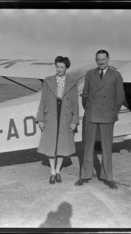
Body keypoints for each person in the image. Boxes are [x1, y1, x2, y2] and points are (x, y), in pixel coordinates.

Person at [75, 49, 125, 189]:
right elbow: (85, 94)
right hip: (91, 115)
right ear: (96, 60)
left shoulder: (116, 75)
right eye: (99, 59)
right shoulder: (90, 74)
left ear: (108, 59)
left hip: (107, 115)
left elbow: (120, 97)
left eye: (103, 59)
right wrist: (89, 108)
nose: (101, 62)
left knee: (107, 148)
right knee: (88, 147)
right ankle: (85, 175)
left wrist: (112, 112)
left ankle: (108, 177)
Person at [36, 56, 79, 184]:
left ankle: (58, 170)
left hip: (66, 115)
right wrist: (40, 119)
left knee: (62, 144)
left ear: (66, 68)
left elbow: (75, 103)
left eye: (62, 67)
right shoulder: (48, 81)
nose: (59, 69)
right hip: (51, 115)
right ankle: (52, 171)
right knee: (50, 143)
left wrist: (74, 121)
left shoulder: (72, 82)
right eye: (57, 67)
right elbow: (43, 101)